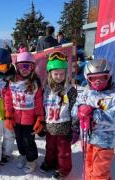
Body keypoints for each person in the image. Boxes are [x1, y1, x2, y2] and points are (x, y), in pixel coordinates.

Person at [72, 59, 115, 180]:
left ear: (110, 77)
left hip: (104, 142)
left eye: (103, 77)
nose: (98, 81)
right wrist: (80, 109)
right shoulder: (86, 94)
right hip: (87, 139)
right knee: (88, 165)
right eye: (93, 78)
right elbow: (74, 111)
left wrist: (94, 113)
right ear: (87, 79)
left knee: (99, 172)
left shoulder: (114, 97)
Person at [40, 51, 78, 180]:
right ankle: (50, 162)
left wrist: (75, 128)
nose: (59, 76)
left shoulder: (69, 90)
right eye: (56, 73)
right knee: (49, 148)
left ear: (66, 73)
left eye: (62, 73)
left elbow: (74, 109)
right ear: (50, 73)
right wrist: (41, 123)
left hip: (64, 127)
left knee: (63, 152)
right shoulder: (46, 89)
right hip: (50, 126)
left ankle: (63, 169)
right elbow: (42, 107)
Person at [4, 52, 44, 173]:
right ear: (17, 67)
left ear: (32, 67)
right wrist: (8, 115)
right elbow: (8, 99)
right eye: (22, 66)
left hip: (29, 118)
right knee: (19, 139)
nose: (25, 69)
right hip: (16, 117)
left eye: (28, 66)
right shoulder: (12, 81)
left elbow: (38, 103)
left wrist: (40, 118)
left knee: (28, 141)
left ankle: (31, 160)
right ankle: (22, 155)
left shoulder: (35, 83)